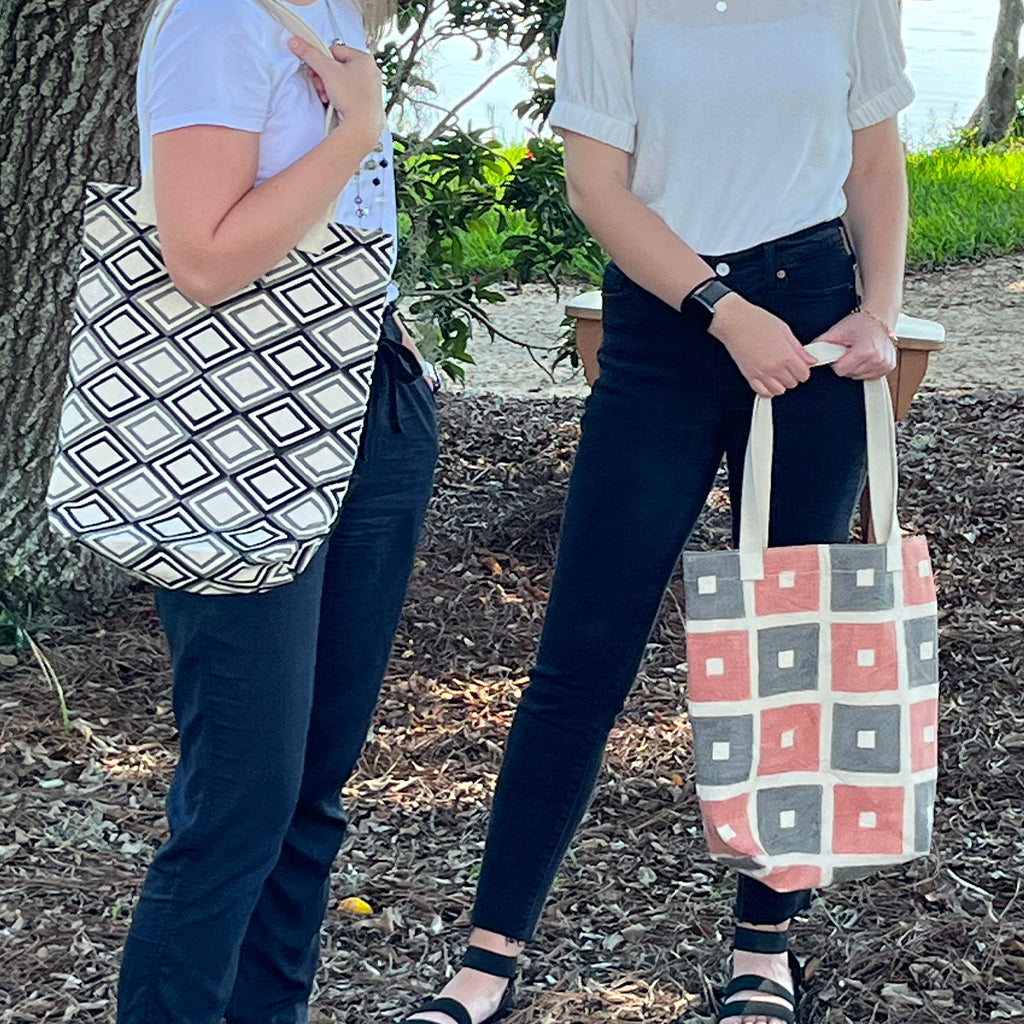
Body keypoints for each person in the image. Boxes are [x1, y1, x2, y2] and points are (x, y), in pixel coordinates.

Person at [400, 2, 915, 1024]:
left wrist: (880, 313)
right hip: (666, 323)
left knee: (792, 649)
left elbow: (872, 161)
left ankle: (763, 952)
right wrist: (724, 311)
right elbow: (594, 185)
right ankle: (487, 960)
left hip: (813, 320)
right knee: (581, 656)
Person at [116, 2, 440, 1023]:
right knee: (243, 798)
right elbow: (201, 257)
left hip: (369, 404)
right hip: (238, 432)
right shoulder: (218, 19)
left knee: (307, 794)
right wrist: (356, 130)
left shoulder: (341, 15)